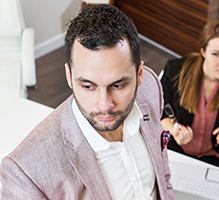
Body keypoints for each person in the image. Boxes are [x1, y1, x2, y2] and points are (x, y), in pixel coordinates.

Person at [0, 5, 173, 200]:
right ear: (69, 76)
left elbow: (163, 175)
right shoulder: (25, 175)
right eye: (88, 86)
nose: (104, 105)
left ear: (139, 74)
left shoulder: (150, 88)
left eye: (117, 85)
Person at [161, 18, 219, 168]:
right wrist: (175, 131)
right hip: (176, 150)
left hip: (215, 157)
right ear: (203, 52)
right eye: (216, 54)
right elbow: (159, 112)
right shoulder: (176, 71)